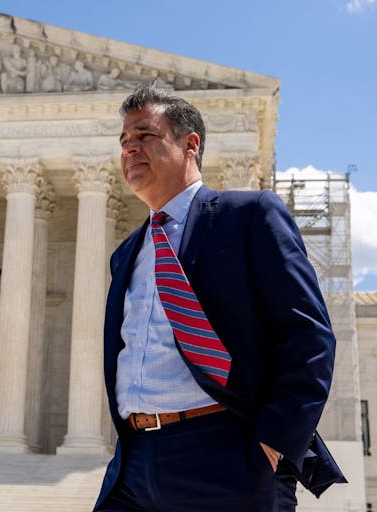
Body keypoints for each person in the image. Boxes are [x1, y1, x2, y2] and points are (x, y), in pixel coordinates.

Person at [95, 82, 346, 511]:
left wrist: (273, 444)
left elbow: (308, 338)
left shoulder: (248, 216)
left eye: (144, 136)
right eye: (124, 141)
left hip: (226, 456)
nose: (130, 149)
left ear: (189, 144)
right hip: (134, 463)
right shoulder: (127, 253)